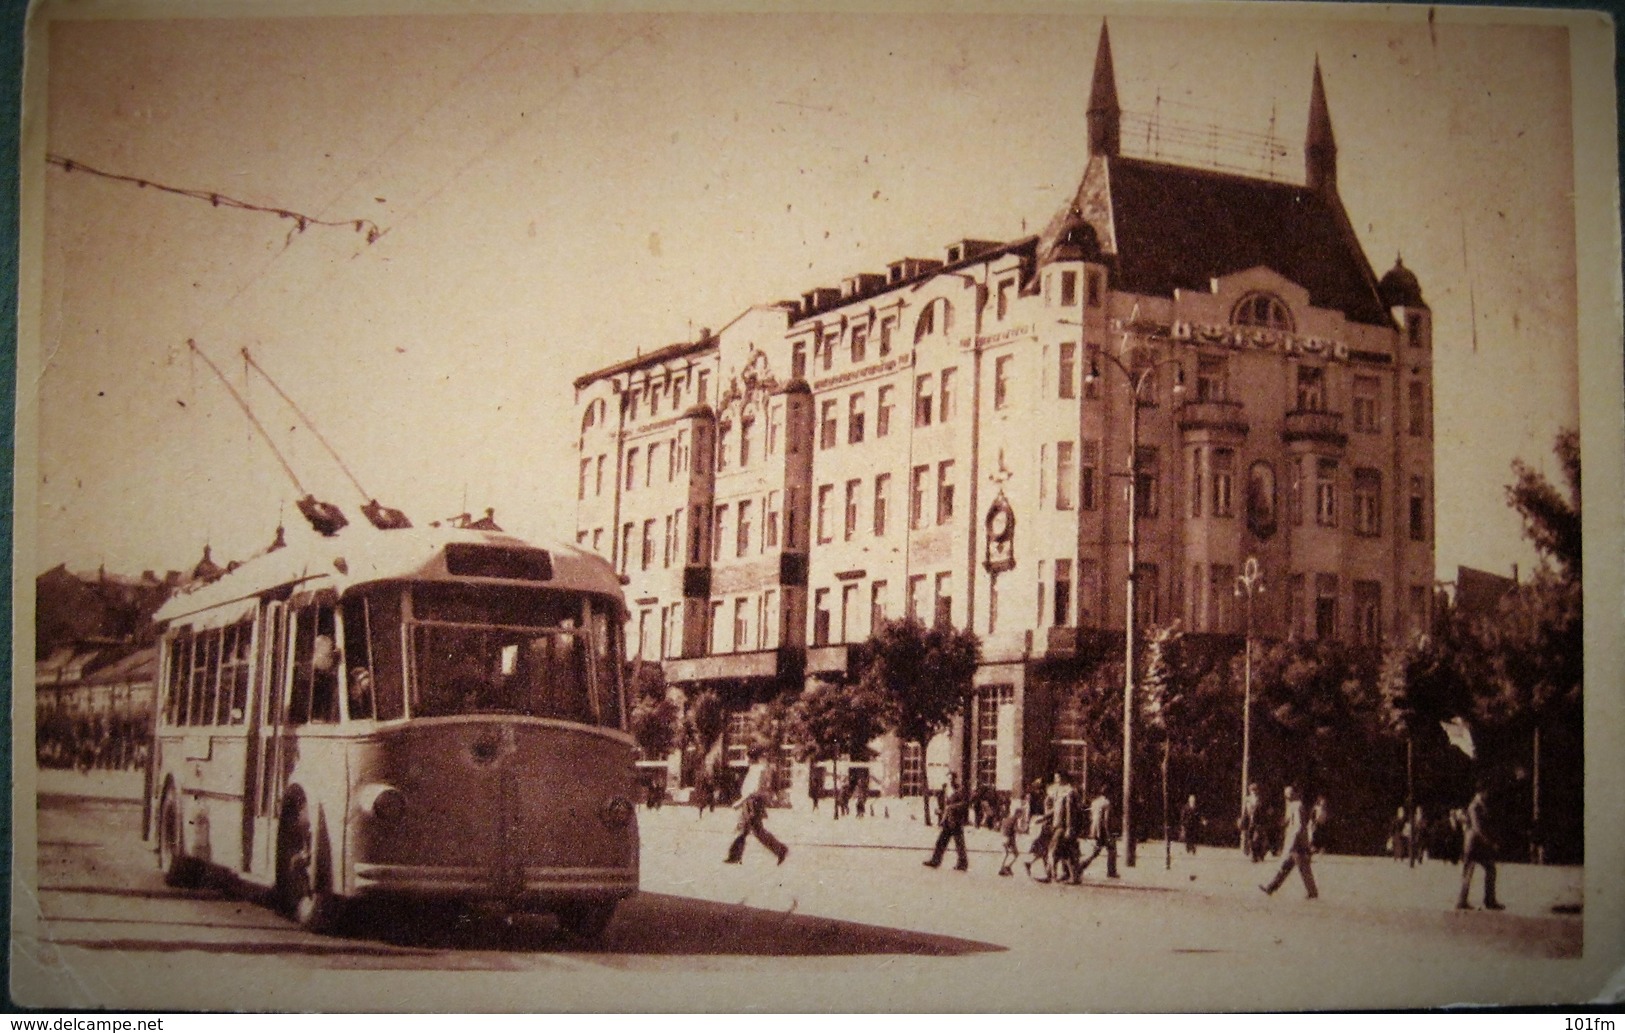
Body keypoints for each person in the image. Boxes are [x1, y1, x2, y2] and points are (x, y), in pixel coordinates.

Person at [1260, 785, 1318, 899]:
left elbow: (1298, 825)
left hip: (1297, 843)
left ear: (1295, 794)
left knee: (1303, 868)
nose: (1287, 796)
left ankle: (1312, 892)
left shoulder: (1297, 806)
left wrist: (1293, 841)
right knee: (1286, 867)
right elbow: (1290, 822)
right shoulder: (1292, 805)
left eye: (1290, 794)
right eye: (1286, 794)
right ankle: (1271, 887)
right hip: (1294, 842)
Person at [1456, 784, 1504, 911]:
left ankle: (1488, 900)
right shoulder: (1474, 806)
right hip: (1473, 844)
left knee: (1490, 869)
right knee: (1469, 871)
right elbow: (1477, 828)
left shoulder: (1481, 805)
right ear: (1480, 792)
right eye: (1486, 792)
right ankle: (1463, 901)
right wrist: (1490, 842)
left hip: (1479, 844)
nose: (1487, 794)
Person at [724, 788, 788, 865]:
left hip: (753, 802)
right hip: (752, 801)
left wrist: (741, 803)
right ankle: (734, 856)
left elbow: (753, 789)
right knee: (746, 831)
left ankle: (780, 849)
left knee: (756, 831)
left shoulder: (757, 777)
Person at [923, 778, 969, 871]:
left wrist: (952, 807)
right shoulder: (951, 792)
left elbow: (964, 804)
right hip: (949, 821)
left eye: (952, 780)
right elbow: (948, 806)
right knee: (941, 842)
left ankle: (962, 863)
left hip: (956, 821)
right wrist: (943, 812)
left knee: (959, 843)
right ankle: (936, 860)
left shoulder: (961, 792)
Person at [1077, 784, 1119, 879]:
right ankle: (1111, 871)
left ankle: (1081, 866)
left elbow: (1091, 816)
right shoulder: (1107, 803)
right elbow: (1106, 819)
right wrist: (1109, 833)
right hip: (1103, 830)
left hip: (1095, 829)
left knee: (1095, 851)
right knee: (1112, 850)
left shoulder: (1095, 802)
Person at [997, 802, 1024, 877]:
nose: (1021, 816)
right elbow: (1016, 829)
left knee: (1008, 854)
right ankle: (1003, 868)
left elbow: (1002, 826)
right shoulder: (1014, 819)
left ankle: (1006, 867)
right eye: (1021, 814)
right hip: (1009, 839)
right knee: (1013, 854)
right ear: (1018, 813)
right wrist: (1022, 831)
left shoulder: (1007, 818)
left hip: (1003, 837)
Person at [1240, 783, 1264, 862]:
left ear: (1257, 791)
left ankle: (1258, 854)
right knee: (1250, 839)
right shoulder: (1247, 799)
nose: (1253, 792)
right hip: (1250, 821)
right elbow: (1245, 812)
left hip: (1258, 822)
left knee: (1256, 839)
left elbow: (1262, 811)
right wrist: (1243, 820)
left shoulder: (1260, 799)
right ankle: (1254, 855)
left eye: (1254, 790)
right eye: (1251, 790)